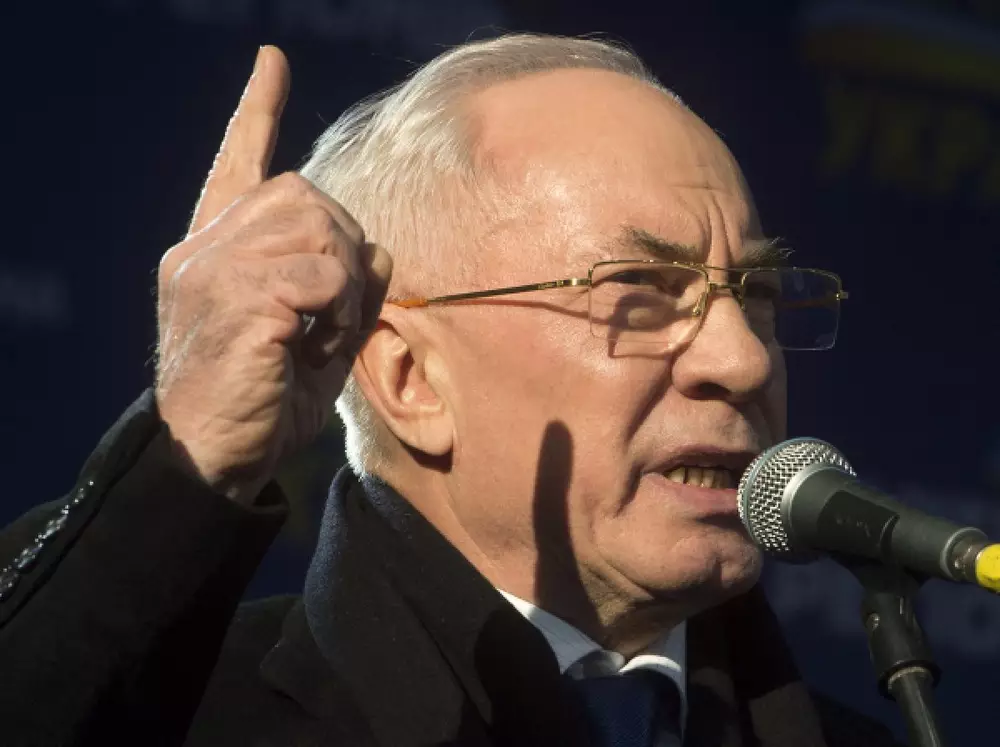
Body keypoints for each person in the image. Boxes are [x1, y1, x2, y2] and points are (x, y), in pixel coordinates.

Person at [0, 35, 900, 746]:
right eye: (639, 290)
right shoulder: (190, 719)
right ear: (409, 378)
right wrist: (190, 451)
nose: (742, 360)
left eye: (756, 294)